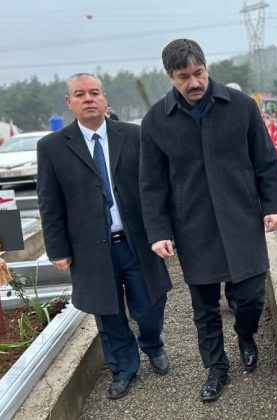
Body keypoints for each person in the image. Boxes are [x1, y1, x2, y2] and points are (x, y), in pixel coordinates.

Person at [139, 39, 277, 403]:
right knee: (204, 306)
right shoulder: (157, 120)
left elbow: (265, 160)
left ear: (206, 67)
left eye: (198, 73)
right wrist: (159, 231)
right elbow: (151, 183)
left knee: (250, 295)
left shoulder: (240, 107)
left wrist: (274, 205)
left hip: (241, 216)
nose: (194, 83)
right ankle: (216, 368)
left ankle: (247, 335)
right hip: (194, 226)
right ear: (170, 77)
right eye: (183, 76)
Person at [37, 73, 172, 400]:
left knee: (151, 303)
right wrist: (57, 248)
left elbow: (156, 188)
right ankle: (123, 367)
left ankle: (152, 343)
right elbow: (49, 202)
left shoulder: (134, 136)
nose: (88, 99)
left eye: (94, 92)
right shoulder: (53, 147)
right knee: (107, 312)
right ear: (69, 103)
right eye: (79, 94)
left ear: (104, 98)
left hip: (137, 241)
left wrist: (163, 230)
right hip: (90, 250)